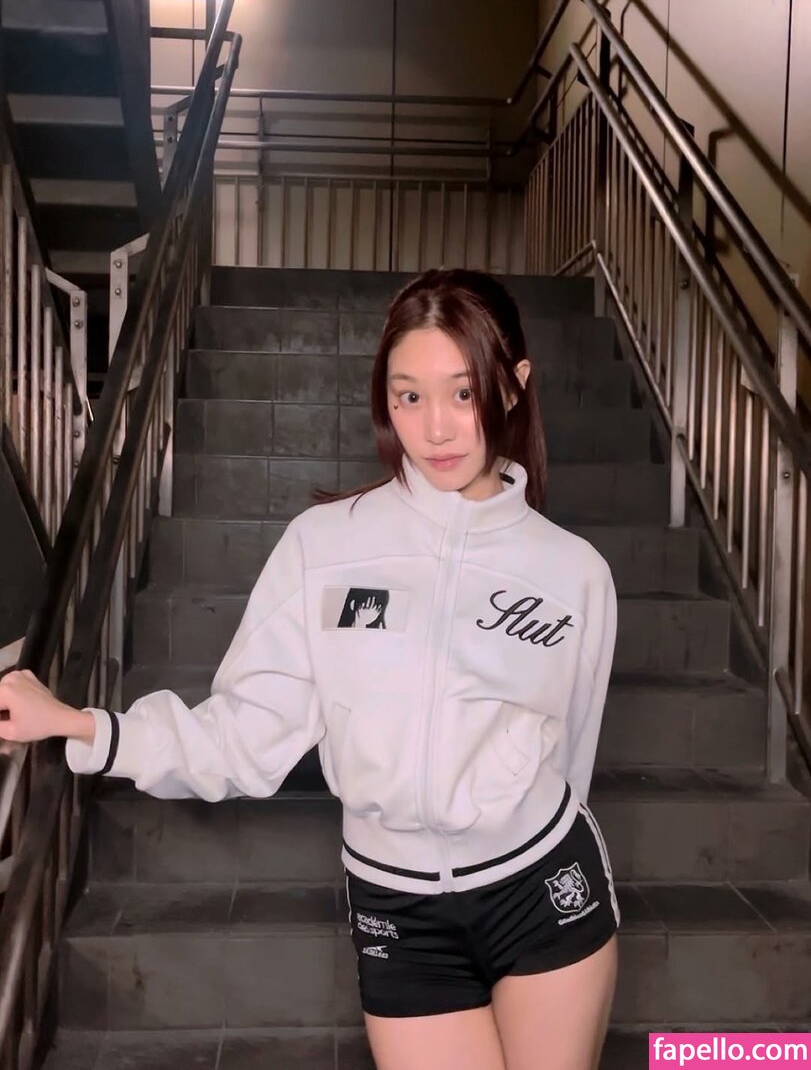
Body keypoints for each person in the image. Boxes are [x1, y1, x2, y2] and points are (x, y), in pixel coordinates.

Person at [0, 268, 619, 1070]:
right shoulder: (324, 546)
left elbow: (571, 756)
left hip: (542, 888)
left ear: (512, 385)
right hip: (397, 907)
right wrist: (85, 727)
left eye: (462, 393)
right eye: (408, 396)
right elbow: (244, 734)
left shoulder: (573, 574)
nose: (435, 428)